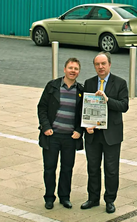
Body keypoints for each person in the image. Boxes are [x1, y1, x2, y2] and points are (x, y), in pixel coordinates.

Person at [81, 52, 129, 214]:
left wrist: (107, 100)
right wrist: (85, 126)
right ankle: (93, 198)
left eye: (103, 64)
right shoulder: (88, 83)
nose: (100, 67)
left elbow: (124, 106)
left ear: (109, 64)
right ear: (94, 66)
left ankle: (110, 200)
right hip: (93, 134)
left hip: (112, 134)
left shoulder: (120, 83)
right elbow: (83, 107)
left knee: (111, 169)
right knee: (93, 168)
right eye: (97, 64)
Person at [37, 58, 84, 210]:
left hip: (70, 137)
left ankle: (65, 197)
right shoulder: (52, 86)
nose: (73, 71)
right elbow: (42, 107)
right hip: (52, 135)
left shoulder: (81, 91)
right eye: (70, 68)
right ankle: (49, 197)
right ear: (64, 69)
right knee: (49, 168)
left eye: (76, 68)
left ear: (79, 71)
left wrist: (79, 130)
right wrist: (45, 126)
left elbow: (84, 114)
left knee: (67, 168)